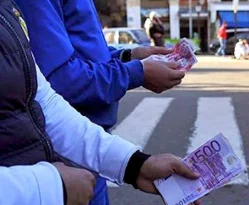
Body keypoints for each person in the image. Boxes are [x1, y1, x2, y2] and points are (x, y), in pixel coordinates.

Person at [0, 2, 201, 205]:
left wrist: (134, 165)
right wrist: (47, 187)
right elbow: (61, 78)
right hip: (57, 176)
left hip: (77, 167)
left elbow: (43, 102)